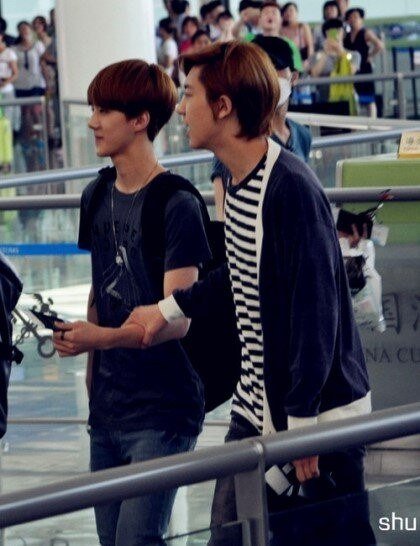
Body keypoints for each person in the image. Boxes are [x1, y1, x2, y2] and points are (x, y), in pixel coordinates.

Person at [123, 41, 372, 542]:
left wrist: (302, 427)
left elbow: (315, 314)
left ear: (223, 106)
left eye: (189, 94)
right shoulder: (238, 183)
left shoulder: (290, 187)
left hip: (315, 420)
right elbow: (238, 271)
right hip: (257, 409)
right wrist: (167, 308)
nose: (180, 108)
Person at [53, 58, 211, 546]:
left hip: (163, 409)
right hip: (109, 408)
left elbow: (176, 318)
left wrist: (97, 340)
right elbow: (100, 287)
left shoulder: (177, 202)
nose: (92, 122)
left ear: (141, 119)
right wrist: (91, 369)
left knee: (136, 539)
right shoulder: (96, 194)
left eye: (105, 110)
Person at [211, 35, 312, 220]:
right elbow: (223, 212)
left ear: (294, 77)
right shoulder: (235, 137)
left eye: (275, 67)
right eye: (259, 69)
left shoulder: (302, 135)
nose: (268, 76)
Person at [309, 18, 360, 112]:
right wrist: (326, 52)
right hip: (324, 100)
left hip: (347, 99)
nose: (335, 33)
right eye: (331, 30)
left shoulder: (354, 55)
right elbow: (314, 74)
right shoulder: (317, 56)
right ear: (325, 34)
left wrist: (340, 51)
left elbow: (351, 72)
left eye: (338, 30)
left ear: (343, 33)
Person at [344, 7, 385, 118]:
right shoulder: (347, 36)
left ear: (361, 19)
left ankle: (372, 122)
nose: (353, 19)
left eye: (356, 17)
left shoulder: (365, 32)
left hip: (365, 69)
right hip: (352, 70)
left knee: (369, 98)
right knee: (354, 97)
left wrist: (370, 55)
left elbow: (379, 45)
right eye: (351, 17)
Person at [257, 1, 303, 73]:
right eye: (266, 13)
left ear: (281, 20)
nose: (270, 15)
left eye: (274, 13)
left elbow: (297, 73)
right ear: (259, 20)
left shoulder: (290, 45)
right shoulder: (251, 44)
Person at [157, 17, 179, 81]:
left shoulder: (169, 43)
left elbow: (168, 63)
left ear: (162, 29)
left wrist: (156, 64)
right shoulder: (165, 42)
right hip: (164, 75)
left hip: (166, 76)